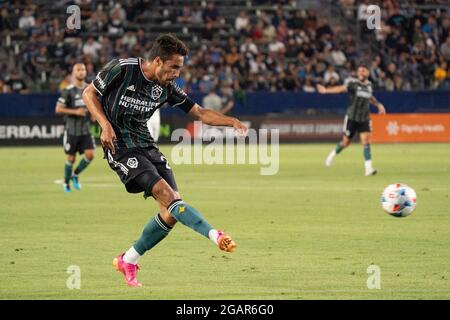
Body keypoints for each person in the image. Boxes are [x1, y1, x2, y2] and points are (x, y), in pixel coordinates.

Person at [82, 34, 248, 287]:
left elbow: (200, 113)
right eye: (174, 68)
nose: (176, 74)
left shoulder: (166, 88)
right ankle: (216, 235)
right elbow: (88, 93)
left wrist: (232, 121)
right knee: (168, 197)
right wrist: (104, 124)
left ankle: (128, 259)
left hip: (146, 145)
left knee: (171, 212)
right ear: (157, 61)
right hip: (120, 146)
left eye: (179, 69)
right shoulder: (123, 69)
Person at [317, 64, 386, 176]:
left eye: (363, 71)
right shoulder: (353, 84)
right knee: (345, 142)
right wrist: (326, 90)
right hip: (352, 118)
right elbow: (340, 89)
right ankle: (331, 155)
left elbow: (370, 98)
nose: (361, 73)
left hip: (364, 118)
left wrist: (378, 104)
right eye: (359, 71)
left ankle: (368, 169)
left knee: (366, 142)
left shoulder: (369, 85)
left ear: (367, 73)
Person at [55, 63, 95, 192]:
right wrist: (75, 112)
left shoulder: (90, 89)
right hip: (71, 130)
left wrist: (93, 114)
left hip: (85, 129)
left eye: (83, 69)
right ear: (73, 73)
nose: (81, 72)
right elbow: (58, 109)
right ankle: (66, 183)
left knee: (90, 155)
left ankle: (75, 174)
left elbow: (93, 106)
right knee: (71, 158)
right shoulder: (68, 91)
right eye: (78, 70)